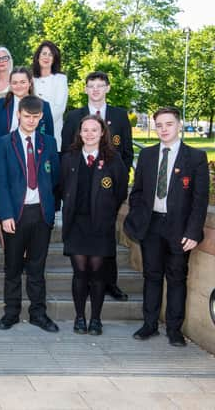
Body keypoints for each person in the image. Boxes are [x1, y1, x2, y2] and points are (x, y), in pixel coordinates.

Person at [124, 107, 209, 347]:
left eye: (169, 124)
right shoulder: (148, 156)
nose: (163, 129)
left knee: (177, 277)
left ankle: (174, 329)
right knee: (151, 276)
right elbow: (137, 191)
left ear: (179, 125)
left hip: (180, 230)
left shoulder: (195, 158)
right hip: (151, 225)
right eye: (159, 125)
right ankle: (149, 324)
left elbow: (200, 200)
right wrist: (138, 218)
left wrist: (193, 232)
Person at [62, 71, 134, 302]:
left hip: (107, 190)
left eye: (100, 85)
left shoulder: (120, 116)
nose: (95, 90)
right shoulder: (74, 117)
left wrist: (116, 188)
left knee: (106, 244)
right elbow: (66, 151)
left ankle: (110, 284)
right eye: (91, 85)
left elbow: (127, 153)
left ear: (107, 88)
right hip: (81, 193)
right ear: (85, 89)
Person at [0, 95, 60, 333]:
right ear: (19, 114)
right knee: (12, 267)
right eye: (27, 116)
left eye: (35, 117)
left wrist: (51, 208)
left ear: (41, 117)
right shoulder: (4, 143)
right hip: (15, 214)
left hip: (40, 213)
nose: (31, 121)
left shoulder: (49, 142)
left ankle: (38, 314)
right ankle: (11, 312)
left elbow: (55, 178)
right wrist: (5, 215)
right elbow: (0, 182)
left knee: (37, 268)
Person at [59, 115, 128, 335]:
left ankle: (96, 319)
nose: (89, 134)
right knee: (80, 272)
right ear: (79, 133)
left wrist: (105, 210)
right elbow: (62, 187)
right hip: (76, 224)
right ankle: (79, 318)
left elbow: (119, 192)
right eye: (85, 130)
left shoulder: (113, 159)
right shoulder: (69, 157)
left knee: (98, 274)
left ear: (102, 133)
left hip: (101, 225)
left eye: (94, 130)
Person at [0, 67, 54, 150]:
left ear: (30, 83)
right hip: (4, 155)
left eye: (23, 82)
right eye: (15, 83)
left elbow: (49, 136)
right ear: (10, 84)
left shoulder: (44, 106)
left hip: (33, 156)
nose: (19, 86)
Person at [31, 41, 68, 151]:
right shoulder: (30, 79)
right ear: (38, 57)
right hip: (30, 131)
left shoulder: (60, 79)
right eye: (44, 53)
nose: (46, 57)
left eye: (50, 54)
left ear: (54, 59)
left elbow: (59, 108)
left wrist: (40, 121)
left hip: (53, 131)